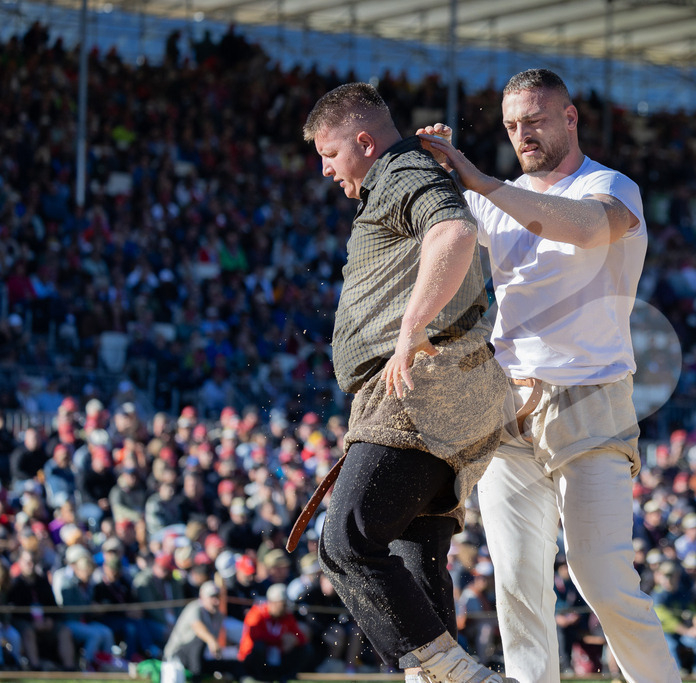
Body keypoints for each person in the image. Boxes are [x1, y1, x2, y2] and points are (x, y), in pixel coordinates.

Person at [419, 68, 680, 682]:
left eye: (534, 120)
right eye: (511, 126)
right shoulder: (491, 199)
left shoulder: (612, 186)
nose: (522, 135)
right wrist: (422, 168)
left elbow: (587, 228)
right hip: (506, 401)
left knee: (602, 576)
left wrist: (479, 181)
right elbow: (442, 239)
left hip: (589, 398)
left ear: (570, 117)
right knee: (514, 582)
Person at [301, 82, 511, 682]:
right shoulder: (405, 172)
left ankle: (464, 678)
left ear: (364, 142)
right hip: (450, 387)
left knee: (347, 540)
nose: (325, 170)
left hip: (425, 382)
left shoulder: (398, 170)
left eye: (331, 154)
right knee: (413, 557)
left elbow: (453, 232)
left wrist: (410, 330)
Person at [164, 580, 241, 680]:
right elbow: (198, 627)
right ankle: (196, 678)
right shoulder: (194, 607)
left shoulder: (218, 615)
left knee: (232, 664)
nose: (216, 601)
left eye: (218, 597)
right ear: (202, 597)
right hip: (177, 656)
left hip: (200, 658)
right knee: (199, 641)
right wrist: (211, 641)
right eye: (212, 597)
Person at [238, 583, 311, 682]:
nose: (285, 607)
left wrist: (294, 640)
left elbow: (301, 637)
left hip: (277, 657)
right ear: (272, 603)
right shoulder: (256, 613)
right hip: (253, 658)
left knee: (306, 649)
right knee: (260, 646)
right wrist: (281, 639)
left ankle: (287, 676)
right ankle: (258, 677)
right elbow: (255, 635)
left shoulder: (286, 616)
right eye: (282, 604)